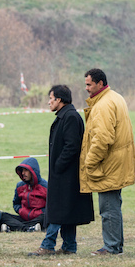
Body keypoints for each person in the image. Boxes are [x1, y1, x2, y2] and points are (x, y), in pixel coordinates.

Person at [80, 69, 135, 256]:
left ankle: (112, 247)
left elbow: (102, 138)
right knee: (113, 205)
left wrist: (89, 162)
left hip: (108, 165)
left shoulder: (103, 105)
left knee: (108, 208)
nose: (86, 88)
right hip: (117, 163)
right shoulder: (115, 97)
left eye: (89, 84)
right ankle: (115, 245)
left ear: (100, 83)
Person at [34, 85, 93, 255]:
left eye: (51, 98)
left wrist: (58, 165)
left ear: (59, 99)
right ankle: (69, 246)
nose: (48, 102)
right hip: (64, 174)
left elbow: (72, 146)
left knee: (57, 211)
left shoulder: (70, 117)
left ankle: (47, 245)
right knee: (67, 211)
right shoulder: (65, 116)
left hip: (67, 175)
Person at [3, 157, 48, 235]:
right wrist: (21, 211)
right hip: (23, 218)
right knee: (2, 216)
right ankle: (30, 228)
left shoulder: (45, 186)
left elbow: (51, 206)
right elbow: (16, 203)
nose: (23, 173)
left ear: (33, 171)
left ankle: (15, 227)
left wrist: (40, 212)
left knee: (46, 217)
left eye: (26, 170)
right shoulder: (20, 186)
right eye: (22, 170)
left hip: (39, 218)